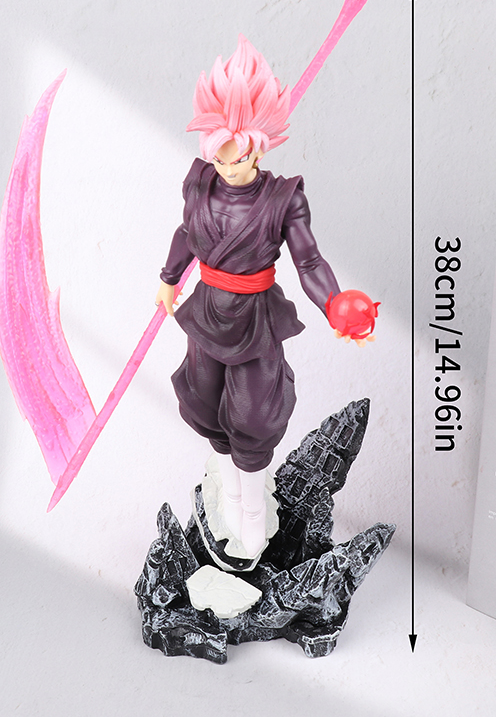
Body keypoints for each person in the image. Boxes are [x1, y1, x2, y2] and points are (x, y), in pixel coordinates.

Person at [156, 36, 366, 559]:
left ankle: (253, 520)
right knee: (206, 404)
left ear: (259, 145)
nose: (228, 167)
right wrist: (169, 277)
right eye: (219, 155)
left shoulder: (282, 199)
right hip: (207, 310)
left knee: (252, 415)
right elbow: (187, 233)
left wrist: (335, 305)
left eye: (238, 155)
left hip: (254, 319)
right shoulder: (199, 185)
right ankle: (229, 507)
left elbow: (309, 261)